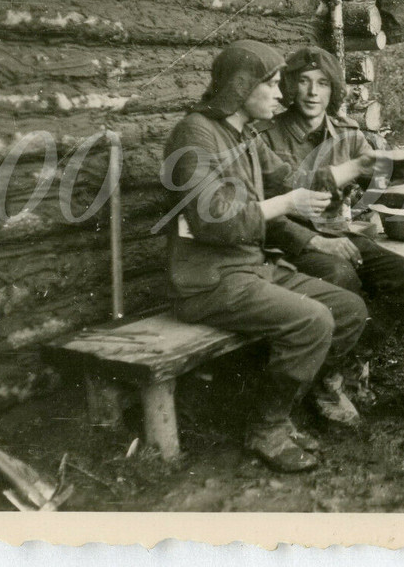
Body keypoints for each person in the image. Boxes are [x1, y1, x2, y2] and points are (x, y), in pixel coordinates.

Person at [161, 41, 375, 473]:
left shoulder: (245, 136)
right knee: (312, 320)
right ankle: (266, 428)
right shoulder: (195, 134)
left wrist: (357, 165)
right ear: (242, 87)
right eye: (274, 83)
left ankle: (282, 406)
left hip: (249, 269)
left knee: (348, 310)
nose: (283, 94)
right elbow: (214, 221)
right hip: (207, 280)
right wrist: (286, 204)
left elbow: (292, 179)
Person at [259, 46, 404, 410]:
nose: (313, 93)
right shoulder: (267, 137)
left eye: (323, 84)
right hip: (285, 243)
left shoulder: (349, 135)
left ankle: (342, 366)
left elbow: (370, 187)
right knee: (342, 277)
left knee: (401, 277)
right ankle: (323, 386)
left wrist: (395, 171)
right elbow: (267, 215)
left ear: (334, 91)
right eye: (304, 82)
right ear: (290, 87)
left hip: (338, 234)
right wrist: (314, 240)